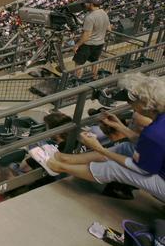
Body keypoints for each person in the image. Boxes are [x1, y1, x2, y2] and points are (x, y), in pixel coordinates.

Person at [48, 72, 165, 201]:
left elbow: (142, 170)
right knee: (126, 147)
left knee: (115, 168)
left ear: (144, 104)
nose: (130, 105)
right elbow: (148, 145)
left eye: (131, 101)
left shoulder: (154, 132)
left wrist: (100, 149)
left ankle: (59, 167)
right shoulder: (159, 122)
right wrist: (120, 127)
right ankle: (65, 158)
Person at [73, 0, 109, 79]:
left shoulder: (90, 17)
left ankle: (77, 80)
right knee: (95, 62)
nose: (85, 4)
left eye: (86, 3)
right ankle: (95, 77)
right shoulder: (104, 13)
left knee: (79, 63)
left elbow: (86, 36)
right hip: (100, 43)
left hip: (87, 44)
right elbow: (109, 29)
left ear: (91, 4)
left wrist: (77, 45)